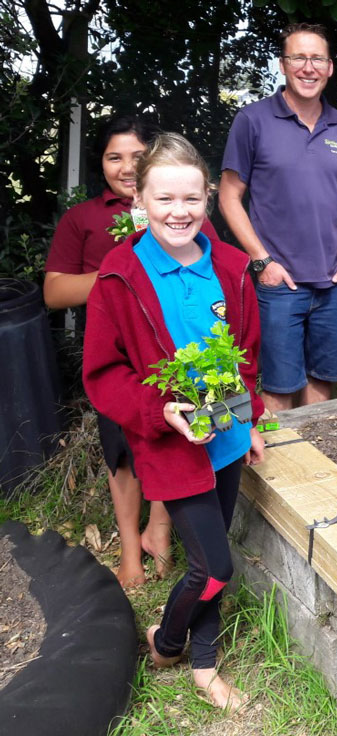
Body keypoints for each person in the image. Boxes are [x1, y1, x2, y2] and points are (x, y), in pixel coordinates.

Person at [82, 132, 265, 711]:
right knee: (215, 566)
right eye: (164, 199)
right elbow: (103, 373)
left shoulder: (233, 268)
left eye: (191, 199)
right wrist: (156, 410)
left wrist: (250, 418)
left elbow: (249, 356)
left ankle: (203, 667)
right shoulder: (119, 274)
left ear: (208, 198)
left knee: (211, 565)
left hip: (227, 436)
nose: (178, 212)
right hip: (169, 443)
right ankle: (167, 641)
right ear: (140, 199)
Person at [44, 114, 216, 588]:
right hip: (116, 354)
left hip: (174, 354)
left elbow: (214, 266)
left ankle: (159, 531)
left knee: (169, 434)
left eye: (136, 156)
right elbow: (55, 292)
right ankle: (128, 546)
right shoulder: (84, 218)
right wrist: (123, 273)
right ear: (100, 162)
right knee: (121, 451)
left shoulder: (180, 209)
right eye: (113, 156)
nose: (124, 166)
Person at [219, 22, 337, 414]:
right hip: (278, 284)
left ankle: (316, 471)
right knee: (278, 386)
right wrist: (262, 261)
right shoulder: (253, 121)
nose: (308, 67)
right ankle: (281, 473)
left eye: (317, 58)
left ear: (330, 67)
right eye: (299, 58)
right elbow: (229, 197)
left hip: (334, 283)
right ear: (283, 65)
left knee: (322, 382)